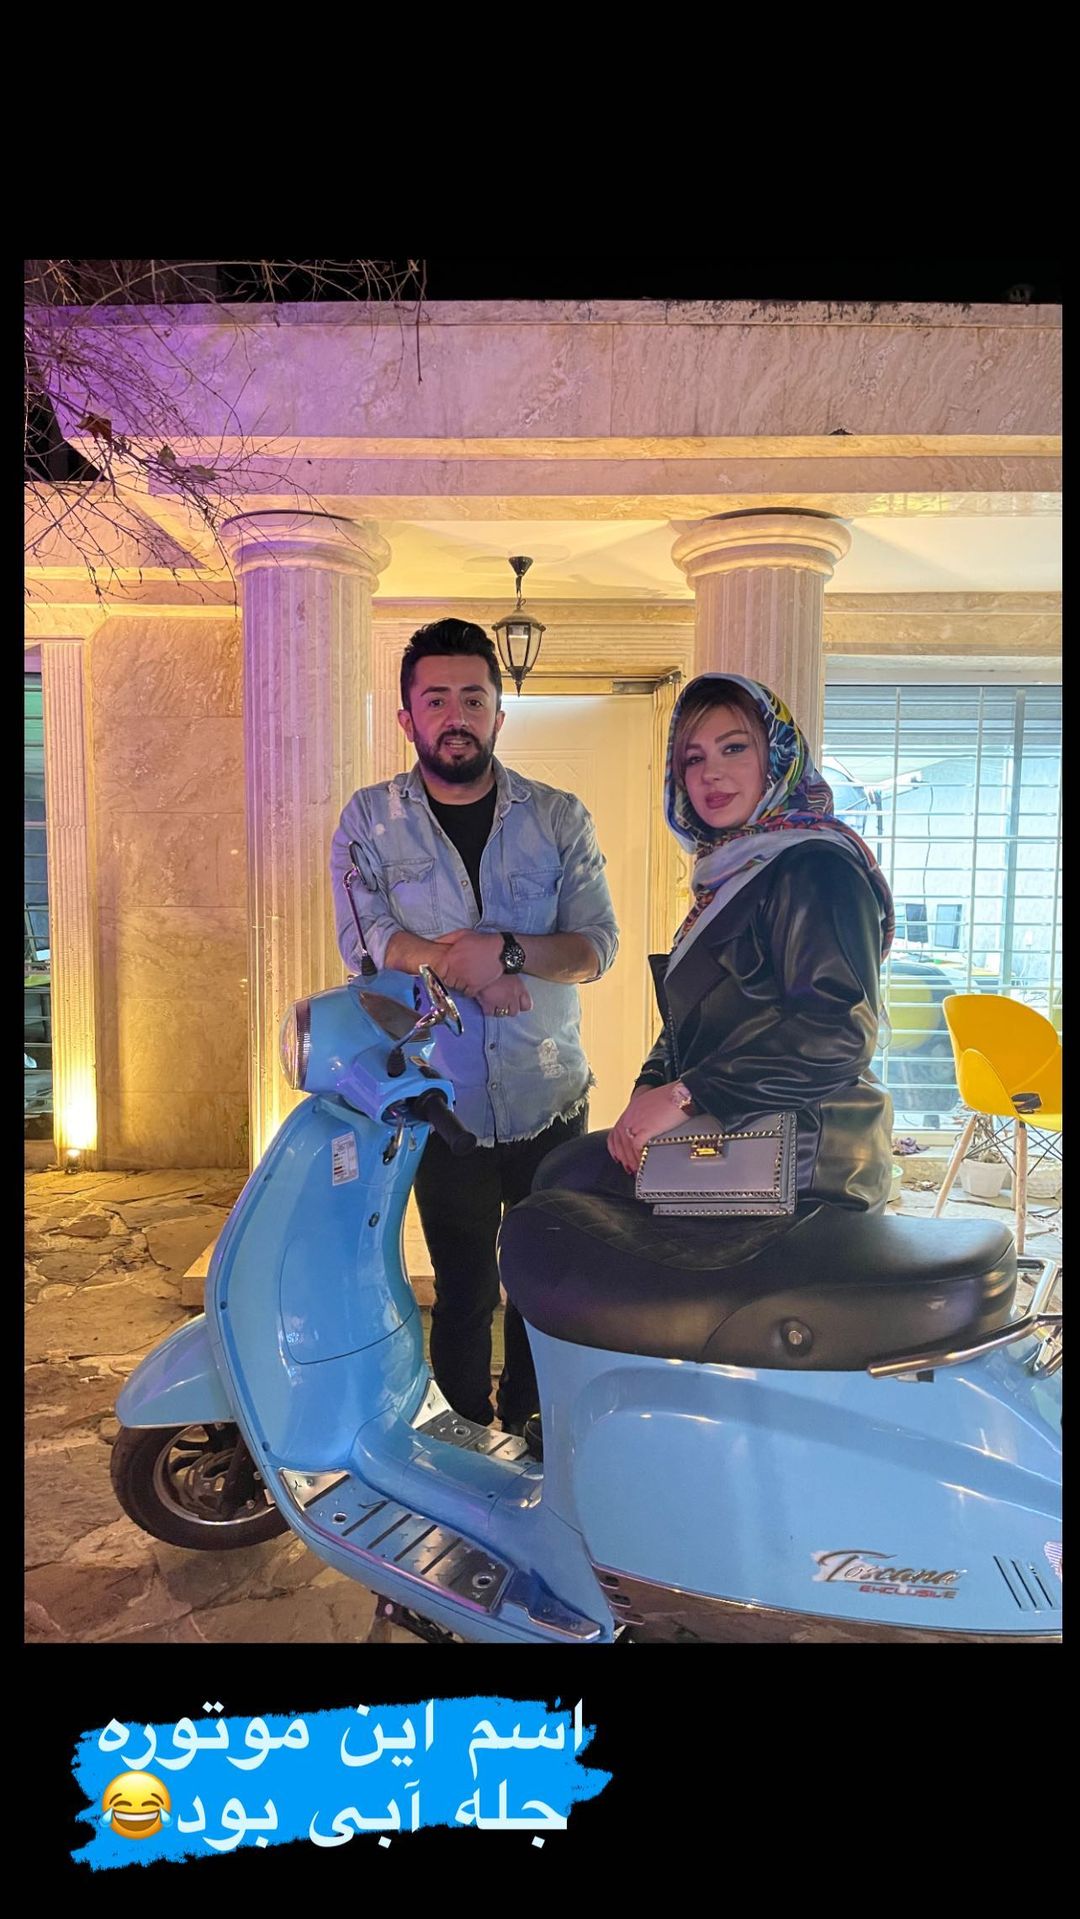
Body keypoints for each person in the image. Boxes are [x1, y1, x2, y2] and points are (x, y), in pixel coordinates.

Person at [329, 618, 618, 1433]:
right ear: (407, 717)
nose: (455, 715)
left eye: (473, 697)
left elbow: (595, 946)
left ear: (498, 713)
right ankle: (460, 1437)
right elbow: (365, 940)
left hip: (548, 1097)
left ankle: (533, 1430)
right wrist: (469, 965)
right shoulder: (368, 820)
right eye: (436, 700)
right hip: (439, 1101)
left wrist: (510, 952)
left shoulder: (559, 818)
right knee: (462, 1289)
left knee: (543, 1286)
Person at [535, 669, 895, 1222]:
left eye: (734, 748)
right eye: (693, 758)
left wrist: (686, 1096)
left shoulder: (815, 866)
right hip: (740, 1127)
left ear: (777, 757)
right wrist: (650, 1086)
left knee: (560, 1205)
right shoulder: (735, 872)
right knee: (563, 1181)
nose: (711, 773)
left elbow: (838, 1032)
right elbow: (697, 1019)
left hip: (801, 1158)